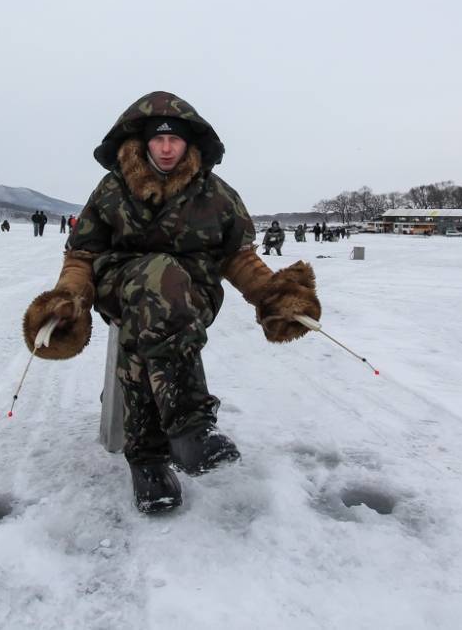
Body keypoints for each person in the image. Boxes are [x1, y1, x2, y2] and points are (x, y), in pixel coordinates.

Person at [21, 91, 320, 514]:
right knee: (156, 277)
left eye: (174, 140)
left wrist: (274, 295)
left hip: (192, 291)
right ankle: (189, 426)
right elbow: (83, 254)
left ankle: (147, 462)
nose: (165, 148)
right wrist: (69, 297)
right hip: (120, 284)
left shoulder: (217, 195)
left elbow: (238, 255)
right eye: (157, 139)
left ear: (189, 143)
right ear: (142, 141)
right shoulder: (111, 190)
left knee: (154, 313)